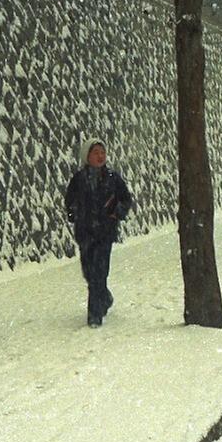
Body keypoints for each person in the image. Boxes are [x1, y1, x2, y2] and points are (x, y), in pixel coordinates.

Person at [64, 138, 133, 327]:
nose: (100, 156)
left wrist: (117, 212)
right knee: (88, 272)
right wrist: (74, 213)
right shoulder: (79, 179)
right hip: (85, 233)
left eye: (102, 152)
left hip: (105, 232)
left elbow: (125, 199)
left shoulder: (112, 178)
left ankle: (94, 315)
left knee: (99, 272)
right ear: (87, 156)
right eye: (96, 152)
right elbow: (70, 200)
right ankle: (105, 297)